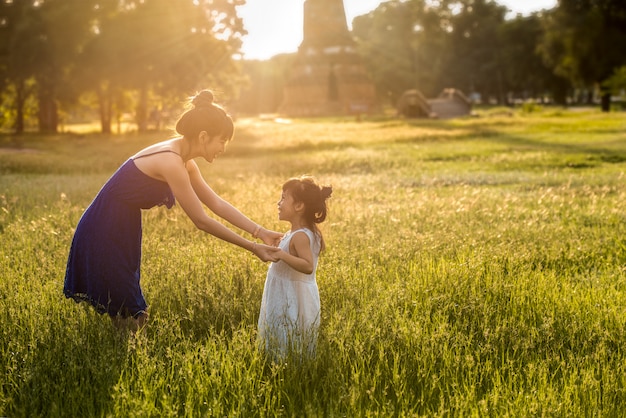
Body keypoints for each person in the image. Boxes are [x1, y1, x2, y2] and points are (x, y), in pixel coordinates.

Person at [64, 90, 282, 331]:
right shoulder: (171, 161)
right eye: (222, 140)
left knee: (133, 310)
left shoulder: (185, 162)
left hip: (123, 227)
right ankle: (125, 359)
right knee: (130, 313)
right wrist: (253, 248)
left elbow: (216, 203)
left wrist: (259, 231)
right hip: (103, 229)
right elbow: (201, 220)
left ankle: (129, 355)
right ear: (203, 136)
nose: (223, 148)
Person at [257, 176, 332, 359]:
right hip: (287, 291)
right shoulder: (296, 234)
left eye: (283, 198)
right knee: (286, 330)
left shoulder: (300, 236)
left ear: (299, 206)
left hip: (290, 294)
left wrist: (282, 255)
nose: (278, 203)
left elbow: (308, 266)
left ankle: (286, 368)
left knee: (288, 329)